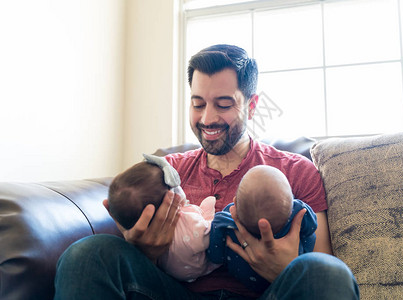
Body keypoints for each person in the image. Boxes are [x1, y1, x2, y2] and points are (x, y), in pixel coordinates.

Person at [54, 44, 360, 299]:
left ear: (251, 106)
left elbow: (322, 261)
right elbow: (131, 256)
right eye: (198, 104)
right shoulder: (166, 173)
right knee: (89, 255)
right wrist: (143, 250)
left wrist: (285, 266)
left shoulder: (295, 172)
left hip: (268, 295)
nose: (207, 118)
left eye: (223, 105)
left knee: (326, 272)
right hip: (176, 293)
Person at [107, 154, 220, 282]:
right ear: (171, 196)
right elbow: (212, 234)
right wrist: (139, 252)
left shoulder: (159, 172)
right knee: (93, 248)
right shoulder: (165, 168)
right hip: (170, 286)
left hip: (238, 289)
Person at [207, 165, 317, 293]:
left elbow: (215, 257)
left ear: (235, 204)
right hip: (279, 290)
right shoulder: (298, 211)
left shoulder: (224, 223)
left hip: (245, 282)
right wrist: (299, 205)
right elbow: (312, 225)